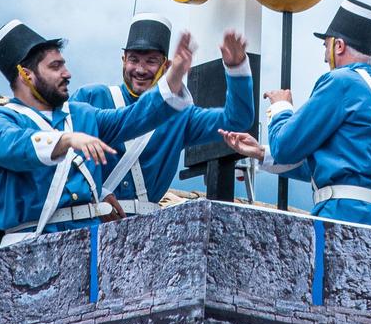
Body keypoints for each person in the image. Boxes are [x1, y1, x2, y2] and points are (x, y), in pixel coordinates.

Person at [0, 18, 195, 247]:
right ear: (26, 75)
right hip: (30, 243)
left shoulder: (80, 115)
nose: (67, 74)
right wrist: (65, 140)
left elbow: (133, 118)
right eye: (55, 67)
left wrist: (171, 82)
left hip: (88, 244)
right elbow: (12, 145)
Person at [217, 0, 371, 228]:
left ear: (338, 46)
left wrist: (281, 107)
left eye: (326, 46)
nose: (324, 55)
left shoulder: (341, 82)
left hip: (338, 217)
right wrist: (261, 153)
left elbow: (285, 146)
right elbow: (332, 165)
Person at [73, 15, 256, 213]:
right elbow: (63, 153)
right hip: (89, 218)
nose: (141, 69)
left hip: (146, 229)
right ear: (123, 60)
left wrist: (237, 69)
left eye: (151, 61)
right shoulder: (90, 97)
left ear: (167, 66)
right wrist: (97, 194)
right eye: (134, 60)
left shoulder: (180, 116)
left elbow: (237, 120)